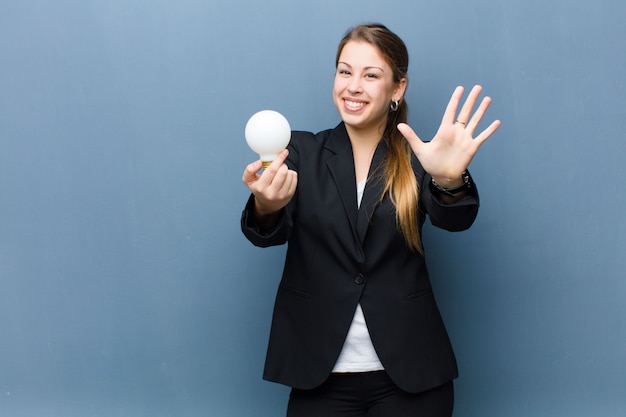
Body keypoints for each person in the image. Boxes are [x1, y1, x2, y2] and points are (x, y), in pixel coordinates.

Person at [240, 23, 501, 417]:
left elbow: (455, 220)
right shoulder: (300, 151)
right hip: (319, 376)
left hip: (412, 378)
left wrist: (449, 180)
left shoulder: (421, 156)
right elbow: (266, 232)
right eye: (345, 71)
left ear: (397, 89)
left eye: (371, 75)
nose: (353, 86)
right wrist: (266, 204)